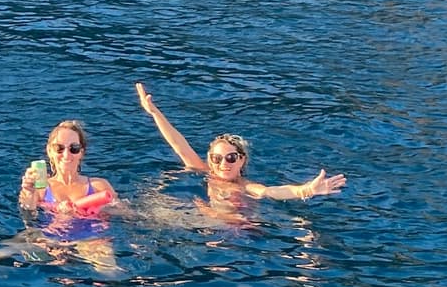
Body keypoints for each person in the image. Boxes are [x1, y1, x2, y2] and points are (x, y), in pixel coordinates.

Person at [133, 83, 346, 202]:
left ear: (241, 160)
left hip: (237, 230)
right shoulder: (204, 171)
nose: (223, 163)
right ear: (210, 159)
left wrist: (306, 190)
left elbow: (270, 192)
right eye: (217, 158)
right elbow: (178, 143)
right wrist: (154, 112)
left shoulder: (244, 186)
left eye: (231, 158)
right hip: (204, 224)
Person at [17, 120, 118, 216]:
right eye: (59, 148)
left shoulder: (99, 186)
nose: (66, 155)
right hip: (51, 232)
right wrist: (29, 191)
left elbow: (126, 214)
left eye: (74, 148)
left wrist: (101, 209)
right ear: (50, 151)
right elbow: (28, 214)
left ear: (81, 153)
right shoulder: (39, 189)